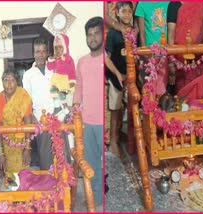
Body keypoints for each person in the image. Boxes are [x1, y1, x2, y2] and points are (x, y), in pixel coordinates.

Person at [73, 16, 103, 206]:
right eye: (89, 34)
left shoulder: (107, 59)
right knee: (90, 163)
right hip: (86, 122)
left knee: (107, 162)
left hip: (103, 122)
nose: (92, 38)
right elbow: (79, 88)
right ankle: (96, 198)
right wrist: (75, 109)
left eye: (96, 33)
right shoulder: (82, 61)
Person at [105, 2, 134, 156]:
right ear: (117, 13)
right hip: (116, 77)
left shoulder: (134, 32)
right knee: (115, 110)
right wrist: (117, 74)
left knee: (130, 109)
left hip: (130, 76)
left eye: (130, 11)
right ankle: (113, 142)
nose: (127, 14)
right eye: (123, 11)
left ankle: (127, 138)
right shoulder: (113, 34)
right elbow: (106, 59)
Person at [167, 2, 203, 99]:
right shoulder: (174, 5)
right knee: (183, 102)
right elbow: (171, 36)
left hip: (201, 60)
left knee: (201, 99)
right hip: (181, 62)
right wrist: (171, 63)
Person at [22, 37, 54, 170]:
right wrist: (33, 119)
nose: (41, 55)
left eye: (43, 51)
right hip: (40, 122)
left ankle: (63, 189)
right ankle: (49, 188)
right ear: (33, 53)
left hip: (58, 118)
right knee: (46, 159)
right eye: (37, 51)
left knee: (62, 158)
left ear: (47, 53)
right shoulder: (28, 75)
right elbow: (27, 101)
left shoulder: (54, 69)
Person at [0, 70, 32, 177]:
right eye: (6, 80)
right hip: (7, 143)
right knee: (9, 176)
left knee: (24, 175)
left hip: (22, 142)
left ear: (17, 82)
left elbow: (28, 120)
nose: (9, 83)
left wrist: (27, 148)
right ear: (2, 83)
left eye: (12, 80)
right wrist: (1, 153)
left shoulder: (23, 95)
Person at [47, 34, 76, 108]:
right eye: (56, 47)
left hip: (64, 81)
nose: (58, 49)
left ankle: (65, 107)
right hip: (56, 81)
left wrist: (72, 82)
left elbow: (72, 71)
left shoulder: (69, 59)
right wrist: (52, 58)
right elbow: (50, 67)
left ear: (65, 46)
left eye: (60, 47)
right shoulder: (55, 58)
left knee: (64, 95)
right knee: (53, 92)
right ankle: (58, 107)